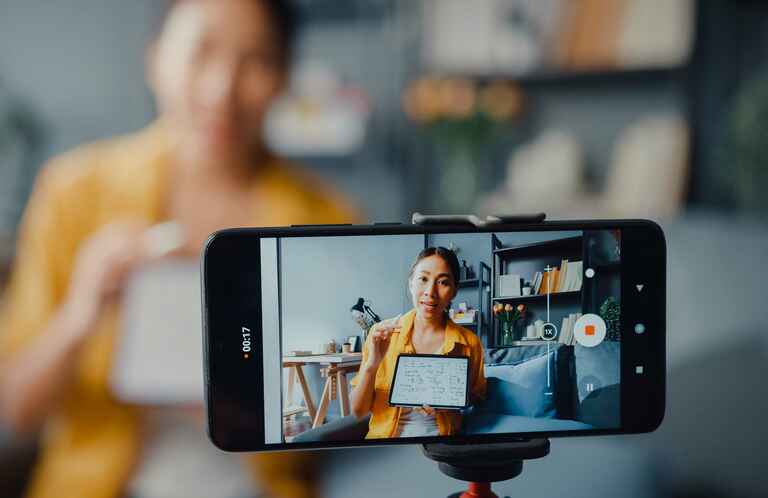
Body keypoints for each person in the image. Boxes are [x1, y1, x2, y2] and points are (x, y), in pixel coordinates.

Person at [0, 1, 360, 497]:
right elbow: (15, 408)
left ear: (282, 76)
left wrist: (253, 406)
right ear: (155, 58)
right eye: (200, 51)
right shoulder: (73, 192)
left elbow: (348, 421)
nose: (222, 89)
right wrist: (82, 313)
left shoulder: (326, 219)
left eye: (255, 59)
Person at [349, 247, 485, 438]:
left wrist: (451, 400)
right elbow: (358, 412)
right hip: (386, 443)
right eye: (423, 279)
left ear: (454, 291)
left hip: (442, 445)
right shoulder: (381, 334)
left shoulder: (470, 343)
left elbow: (476, 397)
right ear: (411, 283)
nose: (430, 292)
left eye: (443, 282)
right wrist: (372, 365)